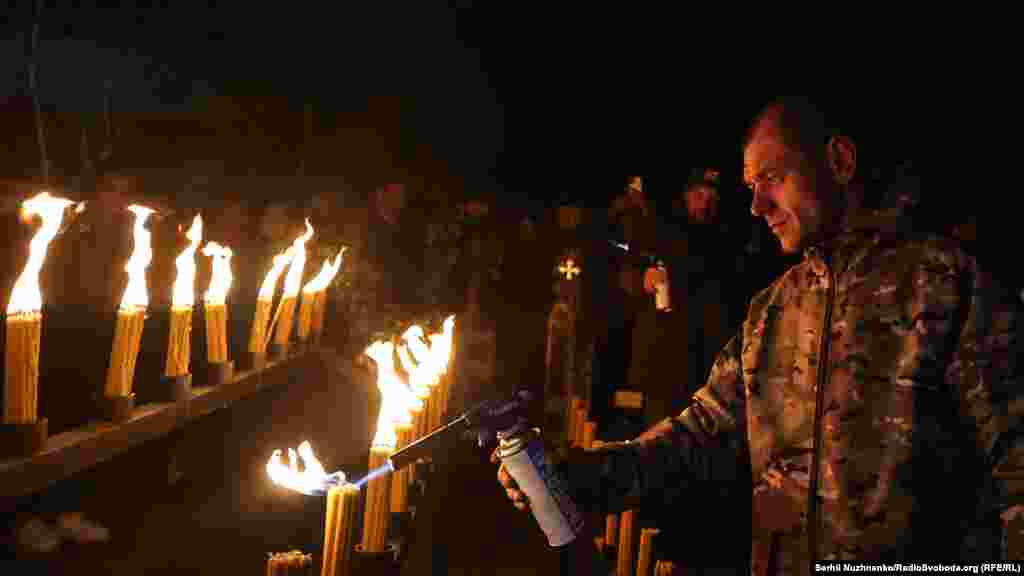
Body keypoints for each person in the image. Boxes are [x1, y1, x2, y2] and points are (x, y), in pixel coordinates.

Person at [496, 97, 1024, 574]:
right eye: (750, 188)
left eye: (771, 179)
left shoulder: (948, 288)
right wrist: (583, 474)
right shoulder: (774, 310)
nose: (756, 206)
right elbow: (699, 435)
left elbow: (1015, 462)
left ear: (839, 162)